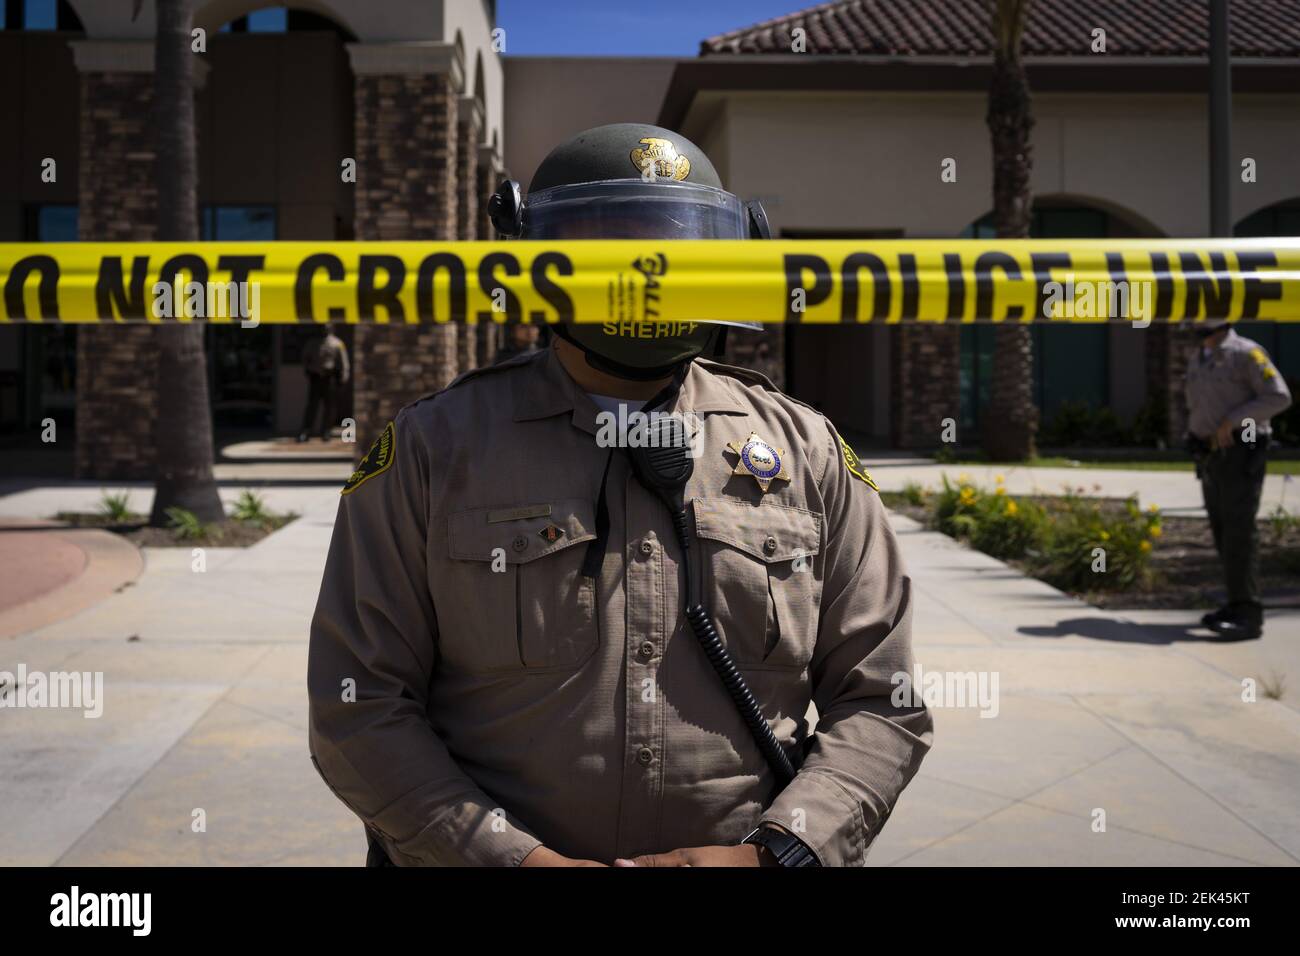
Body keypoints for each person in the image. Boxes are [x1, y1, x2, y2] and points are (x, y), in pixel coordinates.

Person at [307, 123, 933, 867]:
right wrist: (508, 859)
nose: (647, 275)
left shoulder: (808, 452)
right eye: (613, 248)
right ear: (536, 261)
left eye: (674, 248)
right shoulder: (433, 450)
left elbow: (882, 701)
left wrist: (780, 853)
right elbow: (358, 703)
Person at [1185, 319, 1292, 641]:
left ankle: (1248, 614)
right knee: (1223, 530)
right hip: (1211, 454)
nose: (1192, 319)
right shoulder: (1200, 356)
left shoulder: (1246, 353)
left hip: (1241, 449)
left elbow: (1279, 397)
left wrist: (1234, 420)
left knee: (1239, 530)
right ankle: (1235, 604)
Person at [298, 325, 349, 442]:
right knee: (312, 406)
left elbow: (343, 361)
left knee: (329, 407)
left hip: (329, 377)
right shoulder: (312, 342)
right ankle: (306, 431)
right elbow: (305, 357)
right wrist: (308, 369)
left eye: (327, 327)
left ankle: (326, 431)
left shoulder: (337, 343)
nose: (324, 329)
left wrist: (344, 376)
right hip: (315, 377)